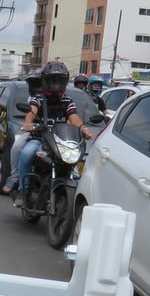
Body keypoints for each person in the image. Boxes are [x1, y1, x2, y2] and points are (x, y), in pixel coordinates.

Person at [9, 60, 93, 207]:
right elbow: (32, 112)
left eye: (58, 81)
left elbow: (73, 117)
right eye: (52, 81)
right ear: (45, 81)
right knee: (26, 153)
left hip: (59, 141)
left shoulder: (67, 100)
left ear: (64, 82)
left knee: (72, 162)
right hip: (40, 138)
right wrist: (28, 123)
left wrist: (83, 128)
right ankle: (23, 189)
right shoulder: (39, 98)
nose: (55, 85)